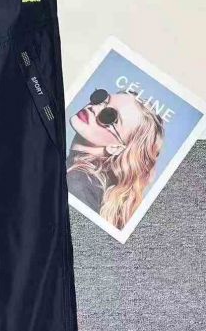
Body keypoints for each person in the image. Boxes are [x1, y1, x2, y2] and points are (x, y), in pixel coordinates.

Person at [67, 88, 165, 229]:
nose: (94, 108)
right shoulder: (83, 179)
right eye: (101, 99)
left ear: (116, 147)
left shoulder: (77, 183)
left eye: (109, 116)